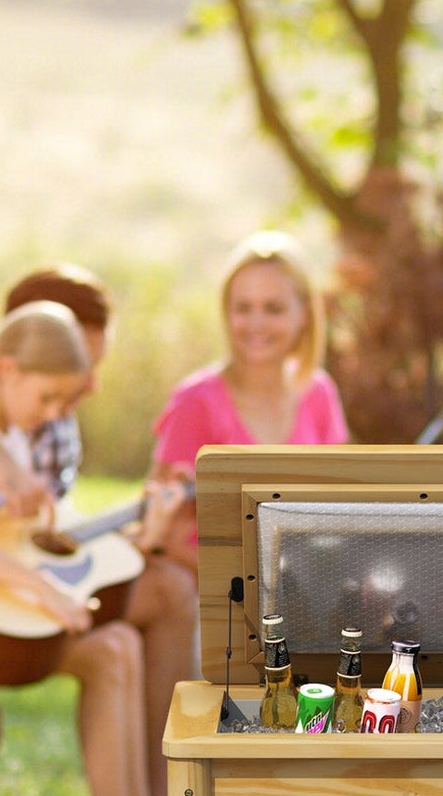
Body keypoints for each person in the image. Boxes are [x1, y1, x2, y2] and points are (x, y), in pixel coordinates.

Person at [0, 303, 165, 796]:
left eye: (64, 402)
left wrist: (142, 533)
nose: (54, 414)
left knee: (115, 647)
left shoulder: (21, 435)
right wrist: (43, 593)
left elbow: (22, 539)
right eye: (47, 398)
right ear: (7, 371)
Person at [148, 229, 349, 576]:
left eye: (273, 308)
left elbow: (339, 508)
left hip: (305, 588)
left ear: (304, 314)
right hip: (214, 600)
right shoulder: (194, 402)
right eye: (244, 308)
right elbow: (163, 536)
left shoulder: (319, 393)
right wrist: (259, 590)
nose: (256, 324)